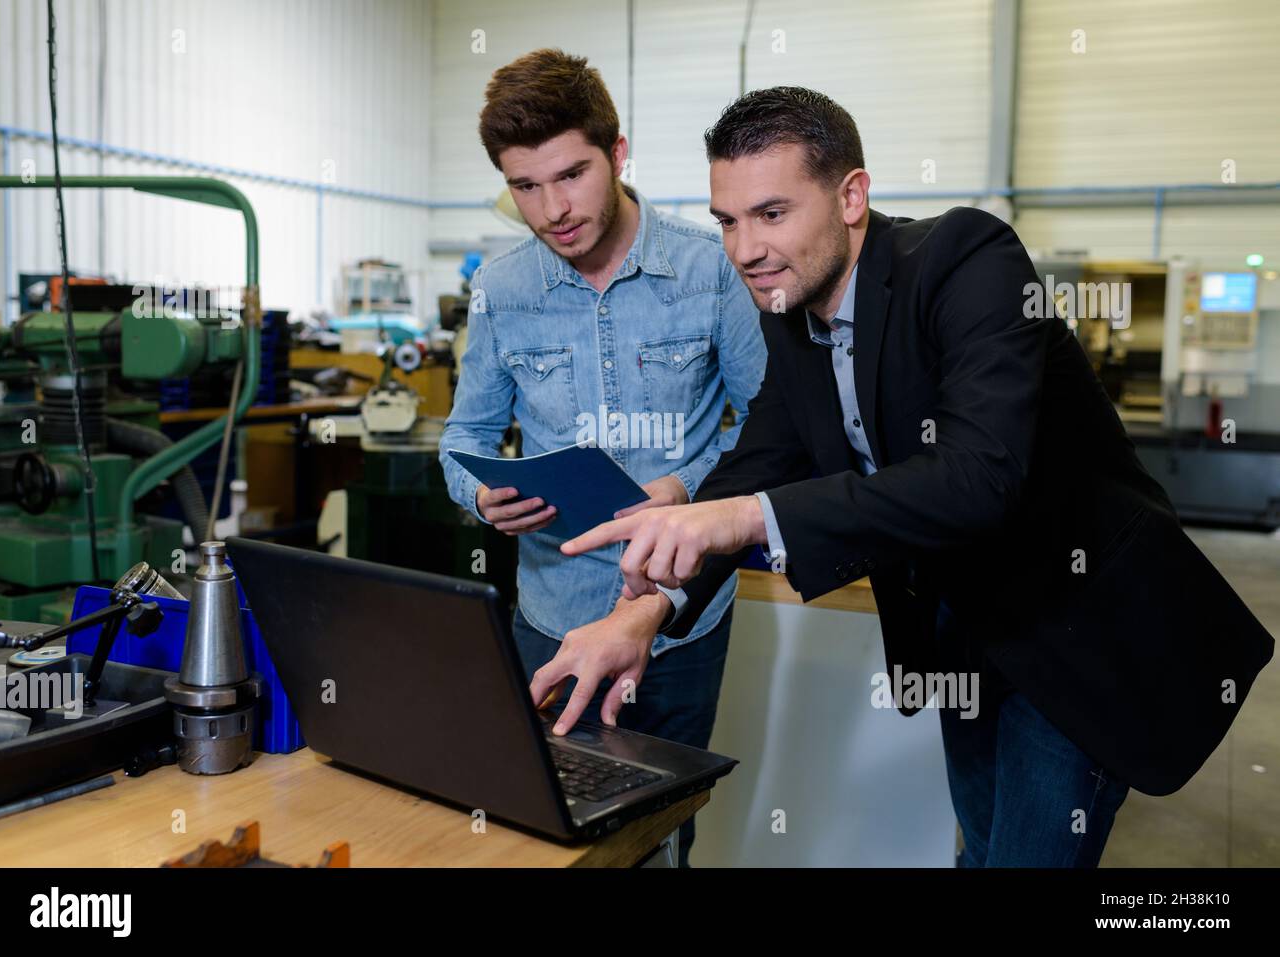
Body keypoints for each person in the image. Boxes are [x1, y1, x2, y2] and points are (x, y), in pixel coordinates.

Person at [539, 86, 1274, 867]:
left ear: (851, 195)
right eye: (728, 220)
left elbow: (978, 477)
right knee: (982, 848)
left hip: (1075, 625)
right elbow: (753, 467)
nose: (744, 248)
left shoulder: (965, 260)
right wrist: (642, 613)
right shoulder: (790, 315)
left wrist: (751, 518)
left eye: (772, 213)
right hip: (966, 633)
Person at [437, 50, 766, 865]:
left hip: (681, 623)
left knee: (660, 844)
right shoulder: (502, 289)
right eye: (524, 187)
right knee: (546, 840)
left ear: (618, 153)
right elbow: (462, 442)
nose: (551, 209)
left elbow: (773, 427)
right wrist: (481, 499)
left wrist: (684, 488)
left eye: (571, 175)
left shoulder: (711, 268)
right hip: (551, 620)